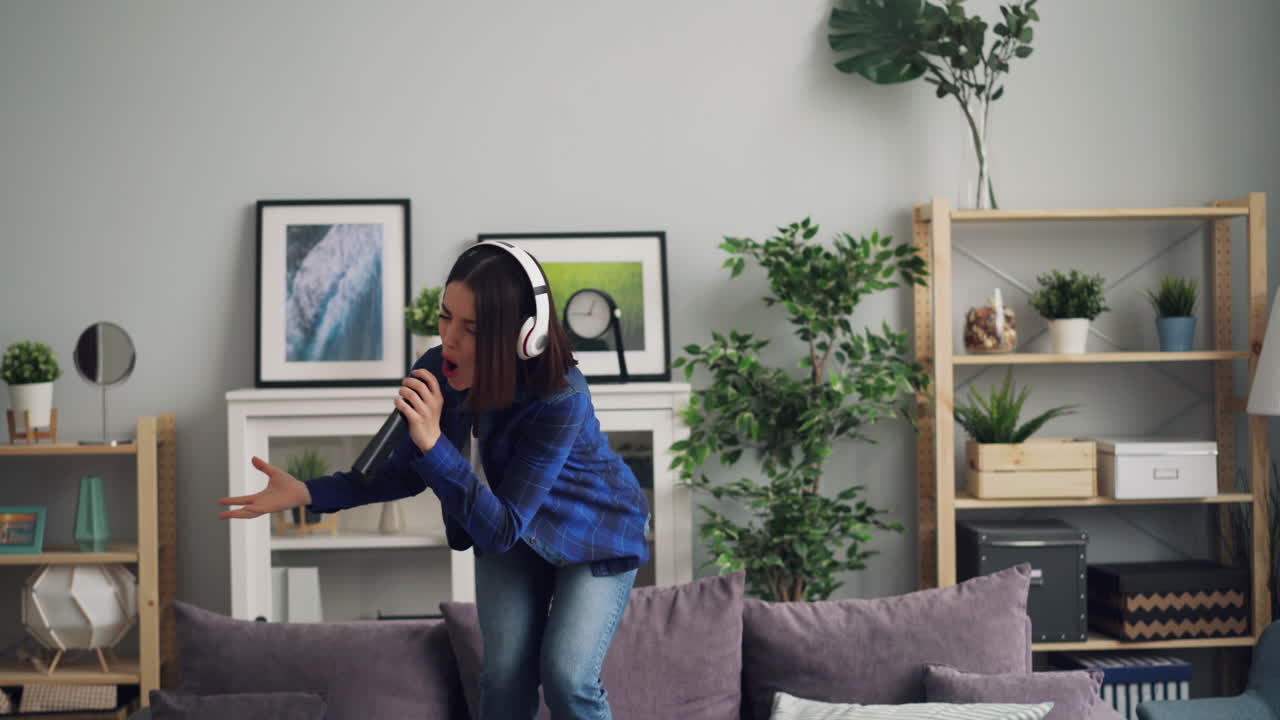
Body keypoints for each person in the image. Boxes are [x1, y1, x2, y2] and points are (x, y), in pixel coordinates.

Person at [219, 241, 651, 720]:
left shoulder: (561, 397)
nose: (450, 340)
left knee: (568, 679)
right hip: (505, 523)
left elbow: (501, 529)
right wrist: (307, 492)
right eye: (446, 317)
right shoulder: (437, 368)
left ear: (523, 337)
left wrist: (432, 440)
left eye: (472, 329)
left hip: (592, 533)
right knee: (503, 680)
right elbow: (404, 473)